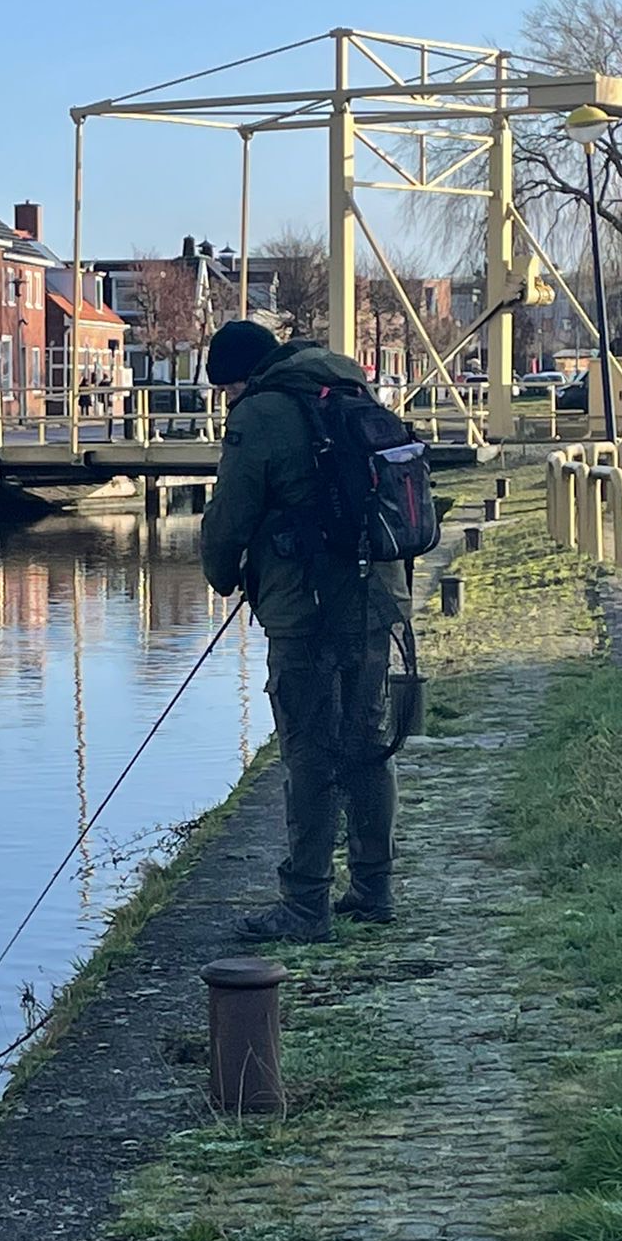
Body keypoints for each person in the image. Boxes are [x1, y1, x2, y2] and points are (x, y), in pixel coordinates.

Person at [200, 321, 409, 939]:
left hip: (308, 609)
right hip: (378, 595)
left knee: (309, 751)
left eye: (223, 390)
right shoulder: (346, 389)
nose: (225, 402)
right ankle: (374, 888)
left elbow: (227, 518)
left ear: (238, 379)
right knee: (367, 740)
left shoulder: (261, 414)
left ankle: (304, 904)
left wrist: (223, 575)